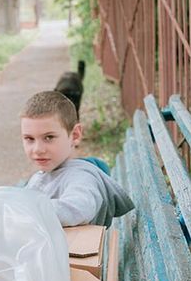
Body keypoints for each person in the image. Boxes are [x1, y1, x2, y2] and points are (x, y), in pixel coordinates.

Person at [20, 91, 134, 226]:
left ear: (75, 135)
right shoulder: (46, 173)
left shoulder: (81, 177)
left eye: (49, 137)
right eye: (29, 139)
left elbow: (78, 209)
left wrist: (22, 211)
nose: (38, 149)